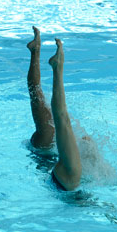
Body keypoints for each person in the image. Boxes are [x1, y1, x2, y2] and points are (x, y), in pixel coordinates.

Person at [48, 37, 82, 191]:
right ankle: (57, 67)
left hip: (67, 181)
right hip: (67, 185)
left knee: (63, 120)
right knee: (64, 122)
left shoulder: (73, 175)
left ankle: (57, 68)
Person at [26, 26, 55, 149]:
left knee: (36, 93)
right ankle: (35, 51)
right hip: (46, 149)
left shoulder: (48, 136)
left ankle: (35, 51)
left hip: (44, 148)